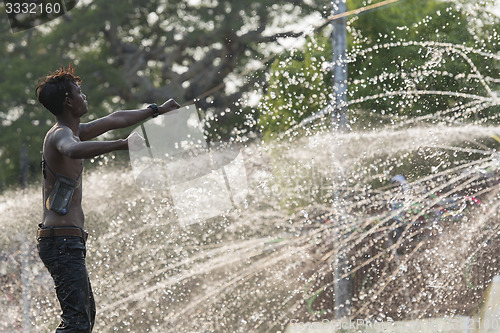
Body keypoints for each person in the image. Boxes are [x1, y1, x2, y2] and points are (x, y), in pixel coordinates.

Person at [35, 64, 180, 332]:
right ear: (69, 101)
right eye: (79, 92)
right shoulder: (61, 135)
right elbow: (74, 150)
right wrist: (120, 145)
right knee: (77, 323)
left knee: (85, 317)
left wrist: (157, 110)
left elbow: (114, 118)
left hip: (66, 241)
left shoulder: (75, 130)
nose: (84, 96)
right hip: (62, 241)